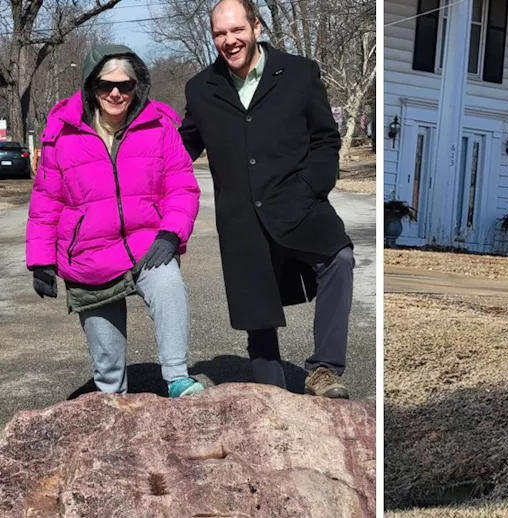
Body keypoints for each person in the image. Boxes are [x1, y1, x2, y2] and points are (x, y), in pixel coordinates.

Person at [178, 0, 354, 399]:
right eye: (220, 33)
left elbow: (325, 138)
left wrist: (311, 187)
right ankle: (272, 398)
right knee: (257, 312)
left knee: (339, 258)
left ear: (256, 26)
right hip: (241, 217)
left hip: (299, 203)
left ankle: (324, 370)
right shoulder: (200, 88)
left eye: (237, 29)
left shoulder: (299, 73)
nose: (229, 40)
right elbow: (182, 145)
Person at [25, 45, 205, 398]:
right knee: (108, 373)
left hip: (146, 243)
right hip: (90, 254)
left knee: (169, 285)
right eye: (106, 85)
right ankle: (110, 406)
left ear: (138, 85)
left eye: (125, 85)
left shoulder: (160, 125)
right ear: (91, 86)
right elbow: (47, 200)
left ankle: (177, 376)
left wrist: (170, 233)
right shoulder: (62, 133)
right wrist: (42, 261)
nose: (116, 93)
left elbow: (182, 185)